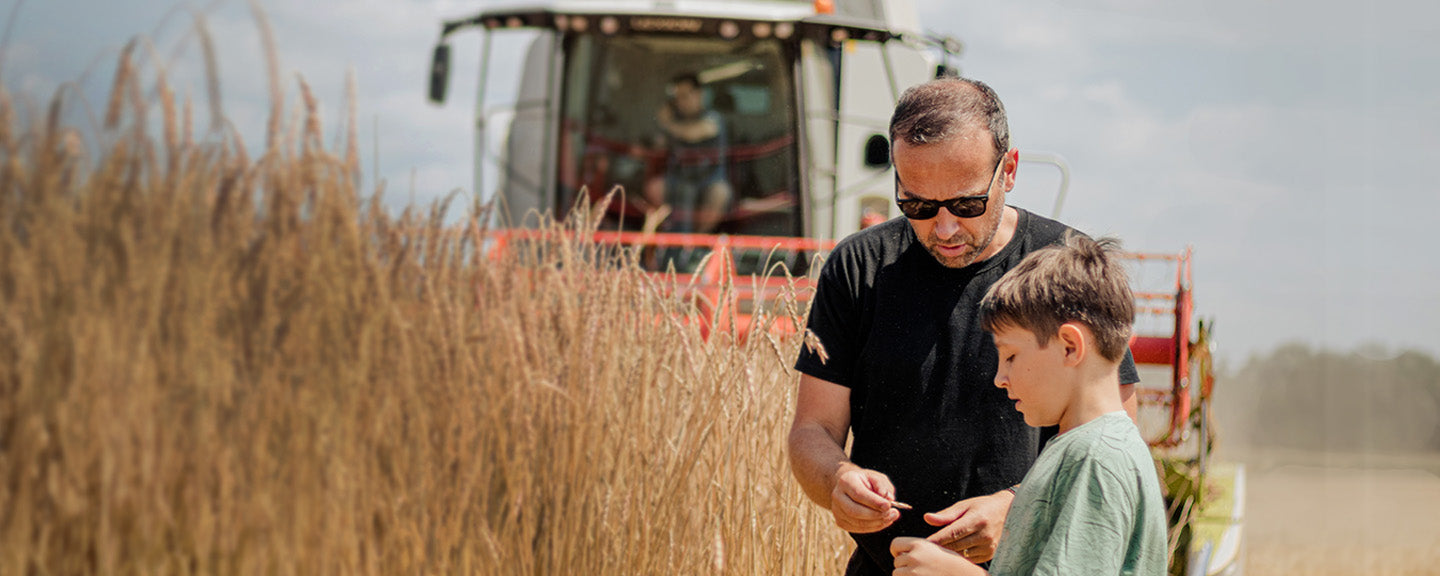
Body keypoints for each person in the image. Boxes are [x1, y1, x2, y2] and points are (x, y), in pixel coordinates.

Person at [786, 77, 1141, 576]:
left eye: (967, 205)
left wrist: (1018, 510)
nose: (945, 227)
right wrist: (837, 479)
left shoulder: (1065, 269)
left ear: (1009, 170)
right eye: (918, 206)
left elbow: (1115, 433)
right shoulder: (858, 267)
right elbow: (811, 431)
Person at [889, 233, 1169, 575]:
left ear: (1069, 346)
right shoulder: (1083, 448)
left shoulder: (1096, 458)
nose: (1000, 377)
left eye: (1010, 356)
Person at [641, 72, 732, 235]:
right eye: (676, 98)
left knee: (721, 193)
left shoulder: (713, 118)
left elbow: (693, 134)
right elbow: (659, 145)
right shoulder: (675, 121)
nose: (680, 102)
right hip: (678, 179)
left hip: (708, 181)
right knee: (654, 187)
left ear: (699, 94)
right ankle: (670, 235)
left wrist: (667, 123)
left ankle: (697, 241)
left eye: (684, 96)